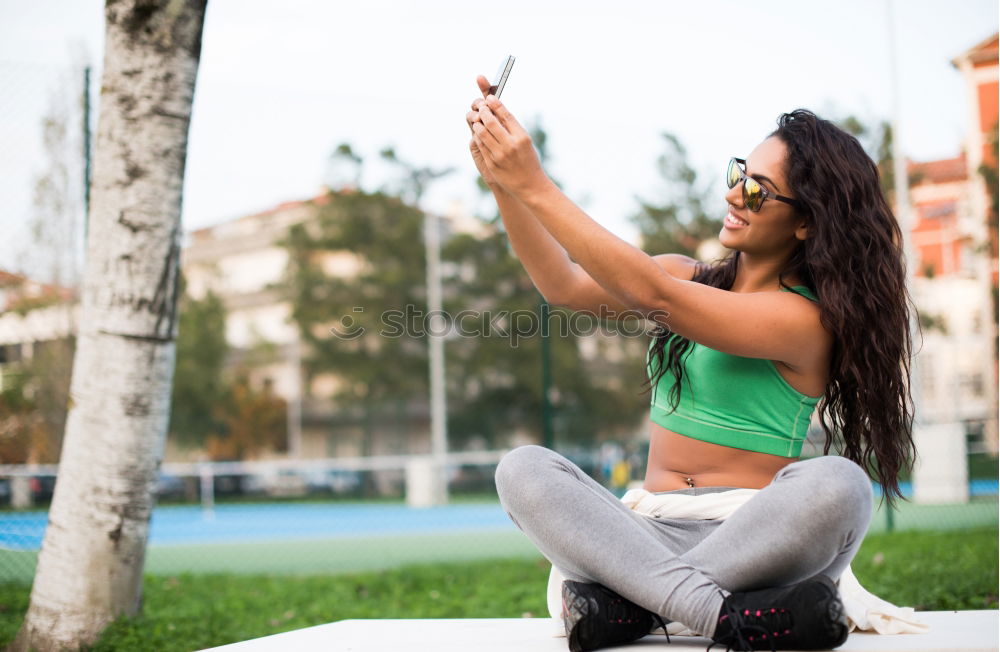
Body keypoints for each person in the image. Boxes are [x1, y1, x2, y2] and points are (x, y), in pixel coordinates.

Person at [466, 74, 916, 652]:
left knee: (840, 484)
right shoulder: (687, 273)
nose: (734, 196)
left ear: (806, 221)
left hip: (753, 543)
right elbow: (564, 287)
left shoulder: (803, 320)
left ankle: (634, 610)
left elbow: (655, 296)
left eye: (758, 192)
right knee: (523, 469)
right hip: (639, 537)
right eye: (739, 176)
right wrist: (504, 183)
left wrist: (537, 183)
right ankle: (726, 618)